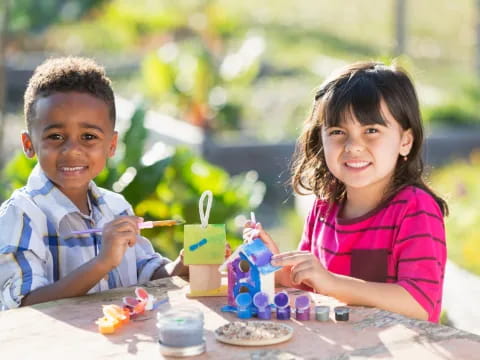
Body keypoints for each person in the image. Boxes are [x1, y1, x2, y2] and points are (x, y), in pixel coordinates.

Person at [245, 62, 448, 322]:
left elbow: (419, 303)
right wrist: (275, 264)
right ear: (321, 139)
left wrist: (333, 282)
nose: (353, 146)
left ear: (405, 141)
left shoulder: (415, 208)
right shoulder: (323, 208)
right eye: (338, 132)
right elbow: (310, 285)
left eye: (371, 130)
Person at [0, 57, 187, 310]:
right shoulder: (22, 215)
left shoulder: (116, 206)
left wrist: (180, 267)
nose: (72, 150)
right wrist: (103, 262)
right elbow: (22, 307)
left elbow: (145, 271)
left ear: (111, 145)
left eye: (89, 137)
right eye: (55, 136)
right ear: (29, 144)